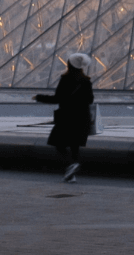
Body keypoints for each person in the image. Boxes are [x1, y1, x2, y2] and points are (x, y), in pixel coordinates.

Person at [34, 53, 94, 183]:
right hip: (82, 118)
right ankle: (71, 175)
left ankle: (72, 165)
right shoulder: (86, 80)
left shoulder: (66, 79)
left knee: (58, 143)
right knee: (74, 146)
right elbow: (90, 100)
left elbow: (57, 98)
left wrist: (39, 97)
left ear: (69, 65)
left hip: (67, 117)